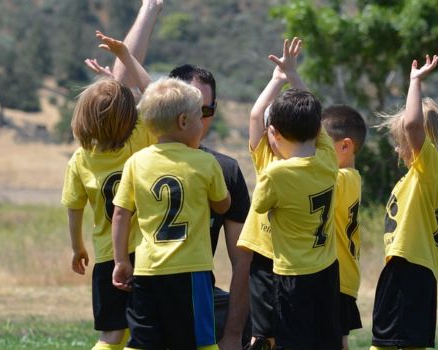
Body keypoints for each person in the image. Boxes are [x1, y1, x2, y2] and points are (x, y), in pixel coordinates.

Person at [112, 2, 254, 348]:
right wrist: (150, 9)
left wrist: (234, 334)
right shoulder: (146, 141)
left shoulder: (221, 166)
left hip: (157, 279)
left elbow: (242, 260)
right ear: (181, 118)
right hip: (150, 282)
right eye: (195, 110)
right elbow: (121, 85)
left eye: (208, 110)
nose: (202, 119)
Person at [111, 77, 231, 350]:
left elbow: (120, 214)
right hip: (192, 271)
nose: (203, 124)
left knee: (143, 341)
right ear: (184, 122)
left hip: (147, 269)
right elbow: (223, 205)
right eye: (200, 117)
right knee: (201, 341)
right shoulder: (205, 162)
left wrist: (120, 261)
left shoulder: (136, 162)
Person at [241, 37, 342, 350]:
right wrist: (292, 75)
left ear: (273, 134)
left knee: (290, 341)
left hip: (292, 274)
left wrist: (277, 79)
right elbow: (315, 116)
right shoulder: (328, 159)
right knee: (325, 340)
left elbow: (259, 206)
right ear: (316, 130)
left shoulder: (274, 173)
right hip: (326, 269)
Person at [63, 33, 155, 350]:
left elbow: (74, 209)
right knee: (145, 333)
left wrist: (77, 248)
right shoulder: (139, 137)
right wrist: (127, 58)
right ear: (130, 115)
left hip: (106, 258)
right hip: (144, 254)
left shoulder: (80, 159)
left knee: (112, 335)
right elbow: (155, 95)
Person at [371, 55, 438, 350]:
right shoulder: (422, 176)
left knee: (386, 345)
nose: (399, 149)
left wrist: (414, 82)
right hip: (413, 272)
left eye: (401, 143)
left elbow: (413, 125)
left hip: (408, 271)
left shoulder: (431, 167)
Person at [321, 105, 368, 349]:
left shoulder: (342, 179)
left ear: (345, 146)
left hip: (337, 279)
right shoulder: (350, 178)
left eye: (322, 145)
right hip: (342, 277)